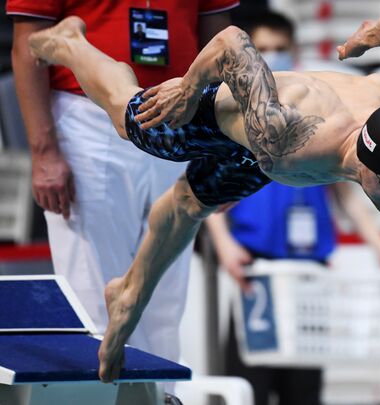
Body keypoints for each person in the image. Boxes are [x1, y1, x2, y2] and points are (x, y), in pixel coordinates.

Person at [27, 4, 380, 383]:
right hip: (243, 117)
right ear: (365, 159)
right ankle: (71, 44)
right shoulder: (287, 138)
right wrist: (189, 89)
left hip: (274, 148)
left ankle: (129, 291)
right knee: (128, 117)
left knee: (190, 203)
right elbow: (231, 42)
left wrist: (367, 36)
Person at [8, 0, 237, 400]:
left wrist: (220, 147)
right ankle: (95, 399)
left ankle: (159, 397)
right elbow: (26, 45)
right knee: (91, 289)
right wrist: (44, 150)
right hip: (85, 117)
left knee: (166, 294)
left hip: (179, 114)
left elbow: (220, 43)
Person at [206, 12, 380, 404]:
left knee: (305, 392)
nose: (272, 57)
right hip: (256, 271)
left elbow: (345, 189)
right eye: (262, 50)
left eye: (280, 49)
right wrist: (224, 246)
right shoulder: (234, 114)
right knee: (250, 387)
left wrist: (379, 244)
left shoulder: (320, 111)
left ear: (294, 51)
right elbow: (202, 187)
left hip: (309, 273)